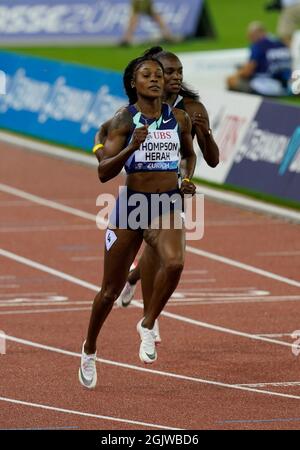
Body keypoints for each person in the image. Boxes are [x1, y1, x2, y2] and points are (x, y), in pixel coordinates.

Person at [79, 54, 197, 389]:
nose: (156, 79)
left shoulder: (179, 119)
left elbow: (189, 155)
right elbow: (104, 173)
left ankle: (147, 323)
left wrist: (186, 178)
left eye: (159, 75)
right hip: (131, 208)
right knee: (109, 290)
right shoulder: (124, 120)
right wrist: (131, 147)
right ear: (135, 83)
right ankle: (89, 347)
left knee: (174, 263)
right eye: (147, 75)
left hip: (166, 204)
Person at [93, 47, 220, 344]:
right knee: (152, 254)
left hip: (170, 195)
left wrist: (204, 142)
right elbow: (103, 131)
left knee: (166, 258)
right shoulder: (136, 109)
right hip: (138, 194)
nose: (173, 78)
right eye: (167, 72)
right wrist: (100, 150)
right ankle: (139, 298)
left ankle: (146, 314)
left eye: (177, 73)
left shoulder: (191, 110)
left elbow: (211, 159)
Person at [226, 21, 292, 96]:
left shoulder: (258, 45)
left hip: (267, 86)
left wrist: (237, 74)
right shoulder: (281, 43)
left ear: (254, 34)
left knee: (231, 80)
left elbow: (248, 71)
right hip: (287, 85)